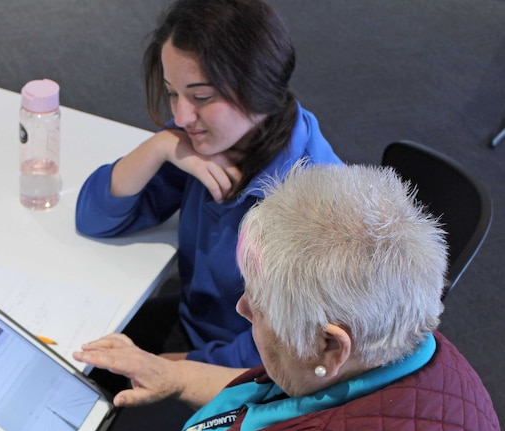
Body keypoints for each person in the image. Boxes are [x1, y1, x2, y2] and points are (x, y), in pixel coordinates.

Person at [21, 163, 505, 431]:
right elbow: (283, 402)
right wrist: (176, 375)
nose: (242, 309)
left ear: (329, 347)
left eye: (262, 305)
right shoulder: (407, 345)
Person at [76, 0, 341, 369]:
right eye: (172, 92)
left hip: (250, 377)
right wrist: (159, 148)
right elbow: (95, 218)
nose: (181, 116)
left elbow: (281, 350)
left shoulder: (313, 205)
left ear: (259, 87)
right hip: (197, 330)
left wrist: (175, 368)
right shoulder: (213, 139)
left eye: (201, 97)